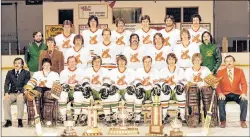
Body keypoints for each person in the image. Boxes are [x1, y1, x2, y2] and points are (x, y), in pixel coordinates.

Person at [184, 53, 218, 128]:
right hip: (193, 90)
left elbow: (211, 80)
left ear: (201, 61)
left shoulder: (205, 69)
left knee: (207, 90)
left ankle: (210, 117)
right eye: (195, 60)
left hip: (203, 89)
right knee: (193, 90)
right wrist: (192, 84)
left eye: (198, 60)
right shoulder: (188, 70)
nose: (197, 61)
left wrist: (213, 83)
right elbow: (186, 82)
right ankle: (194, 117)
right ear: (192, 61)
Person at [24, 58, 60, 126]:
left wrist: (55, 91)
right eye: (45, 65)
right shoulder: (37, 73)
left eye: (48, 65)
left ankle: (48, 119)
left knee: (48, 95)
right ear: (42, 66)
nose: (46, 66)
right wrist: (28, 88)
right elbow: (32, 82)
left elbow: (57, 84)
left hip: (49, 89)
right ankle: (35, 119)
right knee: (33, 95)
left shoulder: (54, 74)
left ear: (50, 66)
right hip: (39, 89)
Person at [101, 55, 135, 125]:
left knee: (130, 96)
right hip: (116, 89)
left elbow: (133, 82)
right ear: (117, 62)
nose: (121, 62)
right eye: (120, 61)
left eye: (123, 61)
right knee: (113, 96)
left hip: (126, 89)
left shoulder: (130, 71)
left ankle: (130, 115)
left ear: (126, 62)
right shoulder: (112, 72)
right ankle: (114, 115)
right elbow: (108, 81)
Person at [216, 55, 248, 128]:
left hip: (237, 93)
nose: (229, 63)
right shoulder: (220, 72)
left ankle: (243, 121)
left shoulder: (240, 71)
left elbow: (244, 83)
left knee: (244, 101)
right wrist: (220, 93)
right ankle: (223, 121)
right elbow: (217, 85)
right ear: (224, 63)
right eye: (227, 61)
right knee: (221, 101)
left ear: (234, 62)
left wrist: (243, 93)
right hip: (225, 94)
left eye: (230, 61)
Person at [158, 53, 186, 123]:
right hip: (168, 88)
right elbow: (160, 81)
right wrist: (167, 83)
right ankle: (164, 115)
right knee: (164, 90)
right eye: (169, 59)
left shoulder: (180, 70)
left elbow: (184, 80)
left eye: (173, 59)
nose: (171, 61)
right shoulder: (163, 70)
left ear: (175, 60)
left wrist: (175, 83)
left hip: (176, 88)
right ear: (167, 60)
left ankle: (182, 115)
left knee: (180, 90)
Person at [3, 58, 31, 128]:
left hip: (22, 93)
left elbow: (26, 84)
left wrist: (22, 92)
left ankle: (19, 120)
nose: (17, 64)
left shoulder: (26, 73)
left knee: (20, 99)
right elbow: (6, 83)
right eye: (15, 63)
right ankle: (8, 121)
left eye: (19, 63)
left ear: (22, 65)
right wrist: (6, 93)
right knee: (6, 100)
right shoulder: (10, 72)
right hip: (12, 93)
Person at [132, 56, 159, 124]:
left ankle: (155, 116)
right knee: (138, 95)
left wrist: (150, 82)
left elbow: (157, 83)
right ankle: (137, 116)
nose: (147, 63)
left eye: (149, 61)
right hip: (142, 90)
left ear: (151, 63)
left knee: (157, 94)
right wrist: (142, 84)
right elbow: (136, 82)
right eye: (146, 62)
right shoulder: (139, 70)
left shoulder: (155, 70)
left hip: (151, 90)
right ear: (143, 63)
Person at [59, 56, 85, 124]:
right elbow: (61, 83)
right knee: (62, 94)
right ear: (67, 63)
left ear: (76, 62)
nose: (72, 63)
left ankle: (76, 115)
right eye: (70, 62)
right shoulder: (63, 72)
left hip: (76, 90)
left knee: (78, 94)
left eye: (73, 61)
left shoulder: (81, 71)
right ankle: (63, 115)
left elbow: (83, 83)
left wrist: (75, 81)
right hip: (67, 90)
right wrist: (69, 81)